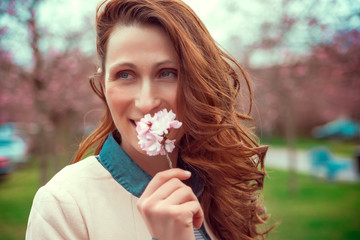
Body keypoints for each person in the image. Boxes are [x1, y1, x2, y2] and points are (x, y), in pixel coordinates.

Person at [26, 0, 271, 239]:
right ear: (103, 86)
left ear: (197, 82)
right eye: (125, 74)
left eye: (167, 73)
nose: (146, 102)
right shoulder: (63, 206)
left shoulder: (221, 187)